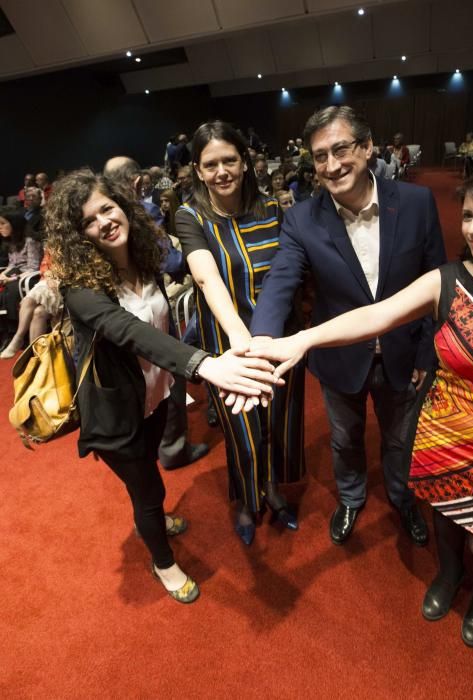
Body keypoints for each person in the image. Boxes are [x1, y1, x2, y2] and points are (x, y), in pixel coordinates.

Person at [252, 162, 473, 647]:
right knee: (444, 522)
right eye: (468, 216)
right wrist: (303, 340)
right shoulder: (449, 280)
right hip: (447, 432)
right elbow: (377, 316)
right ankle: (447, 575)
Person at [43, 169, 279, 603]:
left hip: (153, 396)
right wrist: (203, 365)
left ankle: (151, 511)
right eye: (89, 221)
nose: (104, 222)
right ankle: (163, 562)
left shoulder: (143, 256)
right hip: (117, 415)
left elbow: (188, 276)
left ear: (123, 206)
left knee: (151, 469)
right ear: (79, 236)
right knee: (148, 492)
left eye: (107, 209)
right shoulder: (82, 287)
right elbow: (131, 331)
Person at [250, 105, 446, 547]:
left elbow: (438, 281)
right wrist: (262, 339)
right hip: (339, 358)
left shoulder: (416, 203)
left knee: (400, 439)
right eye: (320, 156)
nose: (332, 164)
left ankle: (401, 498)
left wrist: (425, 354)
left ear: (368, 146)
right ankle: (352, 498)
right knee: (344, 439)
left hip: (404, 353)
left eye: (341, 149)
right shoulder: (302, 218)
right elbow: (282, 277)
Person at [175, 120, 305, 546]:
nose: (221, 171)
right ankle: (248, 501)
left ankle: (272, 490)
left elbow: (289, 275)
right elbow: (208, 280)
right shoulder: (190, 215)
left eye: (230, 160)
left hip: (279, 339)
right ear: (197, 170)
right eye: (210, 164)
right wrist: (240, 340)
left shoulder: (272, 209)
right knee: (244, 432)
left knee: (280, 421)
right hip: (230, 347)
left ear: (245, 162)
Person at [0, 208, 42, 350]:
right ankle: (3, 331)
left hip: (29, 277)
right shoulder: (11, 241)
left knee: (10, 289)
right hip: (15, 274)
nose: (0, 227)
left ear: (14, 224)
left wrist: (12, 278)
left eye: (3, 223)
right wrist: (3, 274)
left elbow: (33, 266)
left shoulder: (30, 241)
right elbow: (12, 264)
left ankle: (13, 332)